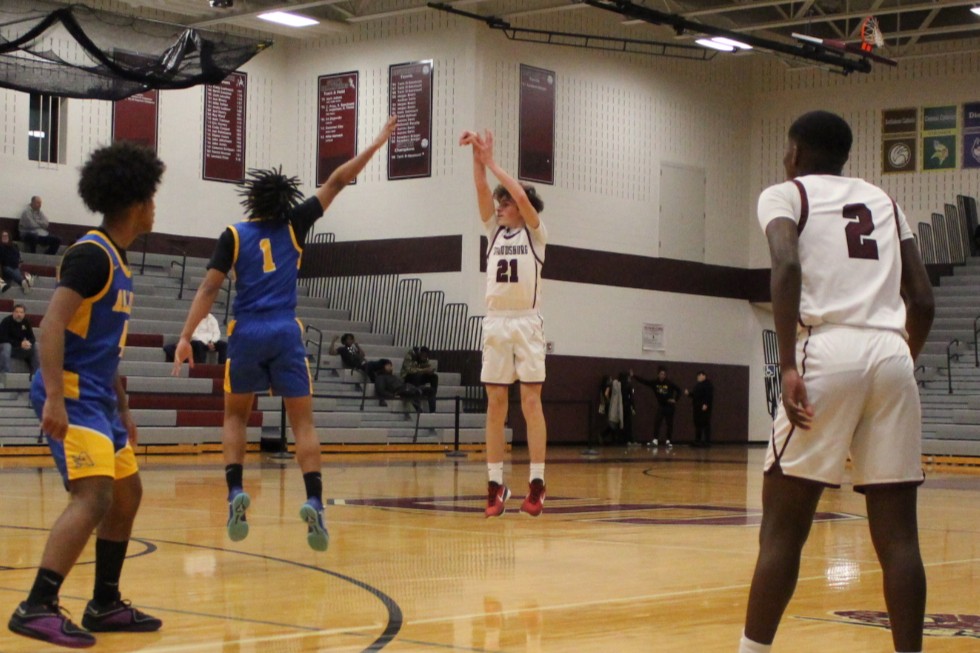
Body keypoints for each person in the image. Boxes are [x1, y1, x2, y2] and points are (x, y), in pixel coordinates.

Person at [740, 111, 934, 653]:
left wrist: (787, 364)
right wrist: (900, 363)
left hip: (828, 349)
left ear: (796, 151)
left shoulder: (785, 194)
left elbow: (786, 269)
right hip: (892, 351)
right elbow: (922, 300)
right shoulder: (887, 203)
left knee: (782, 530)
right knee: (900, 540)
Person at [173, 116, 397, 551]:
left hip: (247, 331)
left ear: (251, 200)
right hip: (285, 330)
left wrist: (186, 336)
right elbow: (336, 180)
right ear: (284, 200)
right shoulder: (295, 224)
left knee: (236, 416)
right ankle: (314, 498)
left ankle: (236, 490)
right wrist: (375, 144)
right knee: (303, 423)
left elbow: (208, 287)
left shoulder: (234, 235)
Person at [7, 142, 165, 648]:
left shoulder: (118, 261)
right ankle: (36, 606)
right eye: (153, 197)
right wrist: (53, 396)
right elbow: (50, 325)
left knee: (127, 492)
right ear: (138, 203)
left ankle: (105, 603)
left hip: (99, 397)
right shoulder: (92, 256)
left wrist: (124, 408)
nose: (155, 207)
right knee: (93, 495)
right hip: (71, 394)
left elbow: (103, 348)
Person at [460, 128, 548, 518]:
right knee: (496, 404)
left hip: (526, 324)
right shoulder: (493, 232)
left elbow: (525, 198)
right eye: (499, 202)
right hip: (496, 323)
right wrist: (478, 156)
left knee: (530, 402)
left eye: (505, 201)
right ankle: (495, 485)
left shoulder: (536, 234)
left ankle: (537, 483)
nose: (499, 206)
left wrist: (495, 163)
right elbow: (481, 188)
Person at [634, 367, 680, 447]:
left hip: (670, 407)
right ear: (658, 375)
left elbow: (679, 390)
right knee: (657, 422)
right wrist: (634, 376)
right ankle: (655, 440)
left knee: (669, 424)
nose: (662, 376)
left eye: (664, 374)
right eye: (661, 374)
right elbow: (645, 381)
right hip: (661, 406)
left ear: (665, 375)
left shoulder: (669, 383)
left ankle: (668, 441)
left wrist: (675, 399)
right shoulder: (655, 383)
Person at [0, 304, 40, 377]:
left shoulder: (26, 322)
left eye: (21, 312)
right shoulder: (6, 321)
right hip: (9, 347)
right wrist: (19, 344)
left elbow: (32, 338)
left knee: (36, 346)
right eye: (17, 312)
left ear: (24, 314)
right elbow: (2, 338)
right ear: (13, 313)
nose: (19, 314)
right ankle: (5, 374)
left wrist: (28, 343)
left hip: (20, 348)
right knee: (7, 346)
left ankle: (36, 373)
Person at [401, 346, 439, 412]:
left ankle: (432, 396)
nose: (424, 357)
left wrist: (430, 371)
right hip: (407, 376)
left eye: (426, 356)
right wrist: (424, 370)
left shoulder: (425, 358)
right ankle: (416, 397)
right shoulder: (410, 355)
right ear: (420, 353)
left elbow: (427, 366)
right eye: (423, 355)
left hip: (419, 376)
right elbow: (409, 370)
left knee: (434, 377)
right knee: (417, 375)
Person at [685, 370, 713, 447]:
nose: (697, 378)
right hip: (697, 408)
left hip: (703, 408)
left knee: (705, 424)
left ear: (703, 375)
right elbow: (695, 395)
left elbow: (709, 396)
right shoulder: (698, 385)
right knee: (697, 424)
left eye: (699, 376)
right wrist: (689, 394)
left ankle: (707, 441)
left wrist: (706, 404)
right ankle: (698, 440)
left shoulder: (708, 385)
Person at [1, 229, 32, 294]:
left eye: (6, 236)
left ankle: (23, 282)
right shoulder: (1, 247)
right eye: (3, 236)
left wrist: (18, 262)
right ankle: (23, 282)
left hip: (14, 265)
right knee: (9, 269)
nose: (5, 238)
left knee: (15, 269)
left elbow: (17, 257)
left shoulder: (14, 246)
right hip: (4, 267)